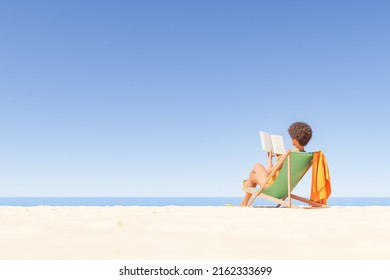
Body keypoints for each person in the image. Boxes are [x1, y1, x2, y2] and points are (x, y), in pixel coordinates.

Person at [239, 122, 313, 207]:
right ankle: (244, 199)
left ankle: (247, 186)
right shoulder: (307, 157)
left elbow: (270, 171)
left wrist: (269, 157)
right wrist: (279, 158)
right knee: (252, 176)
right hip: (284, 190)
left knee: (257, 166)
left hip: (271, 187)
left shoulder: (289, 154)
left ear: (294, 139)